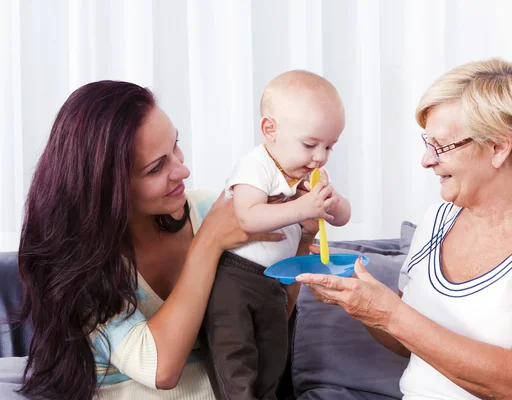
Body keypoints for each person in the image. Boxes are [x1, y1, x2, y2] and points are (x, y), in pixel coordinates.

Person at [296, 58, 512, 399]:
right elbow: (408, 343)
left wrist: (391, 314)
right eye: (426, 142)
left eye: (441, 145)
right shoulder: (437, 220)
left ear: (498, 147)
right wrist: (360, 299)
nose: (426, 159)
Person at [16, 80, 317, 400]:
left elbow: (265, 319)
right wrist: (207, 244)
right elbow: (161, 370)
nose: (182, 170)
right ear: (109, 187)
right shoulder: (78, 261)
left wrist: (300, 240)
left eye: (175, 145)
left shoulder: (206, 209)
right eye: (156, 168)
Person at [204, 70, 351, 400]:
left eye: (330, 147)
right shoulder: (255, 166)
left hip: (273, 280)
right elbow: (249, 216)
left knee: (273, 361)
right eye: (310, 144)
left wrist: (331, 201)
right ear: (270, 129)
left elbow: (342, 216)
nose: (320, 156)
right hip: (234, 279)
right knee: (235, 362)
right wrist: (304, 209)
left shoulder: (307, 174)